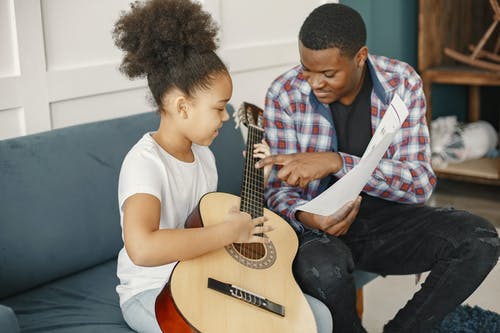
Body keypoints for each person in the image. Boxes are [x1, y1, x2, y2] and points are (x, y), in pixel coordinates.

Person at [256, 3, 500, 333]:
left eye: (328, 74)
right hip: (320, 234)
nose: (314, 83)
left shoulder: (402, 84)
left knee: (480, 240)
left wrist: (338, 162)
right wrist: (304, 216)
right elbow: (279, 190)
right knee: (322, 269)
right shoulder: (284, 94)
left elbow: (420, 182)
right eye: (306, 70)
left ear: (360, 57)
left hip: (391, 224)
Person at [112, 1, 332, 332]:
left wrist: (261, 180)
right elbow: (142, 248)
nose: (227, 118)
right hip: (154, 291)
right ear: (183, 107)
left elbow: (204, 223)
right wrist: (226, 232)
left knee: (318, 317)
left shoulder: (204, 156)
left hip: (205, 274)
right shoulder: (144, 163)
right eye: (219, 108)